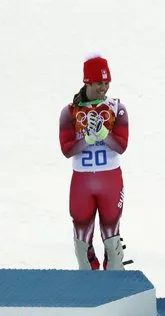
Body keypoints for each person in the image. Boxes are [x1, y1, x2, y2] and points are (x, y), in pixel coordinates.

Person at [58, 55, 129, 270]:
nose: (104, 88)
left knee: (113, 247)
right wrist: (86, 140)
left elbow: (121, 146)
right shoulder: (69, 112)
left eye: (107, 83)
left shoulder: (117, 108)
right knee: (82, 248)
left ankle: (115, 288)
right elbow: (66, 150)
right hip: (82, 182)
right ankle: (89, 290)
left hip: (110, 180)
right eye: (99, 83)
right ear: (87, 81)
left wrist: (104, 134)